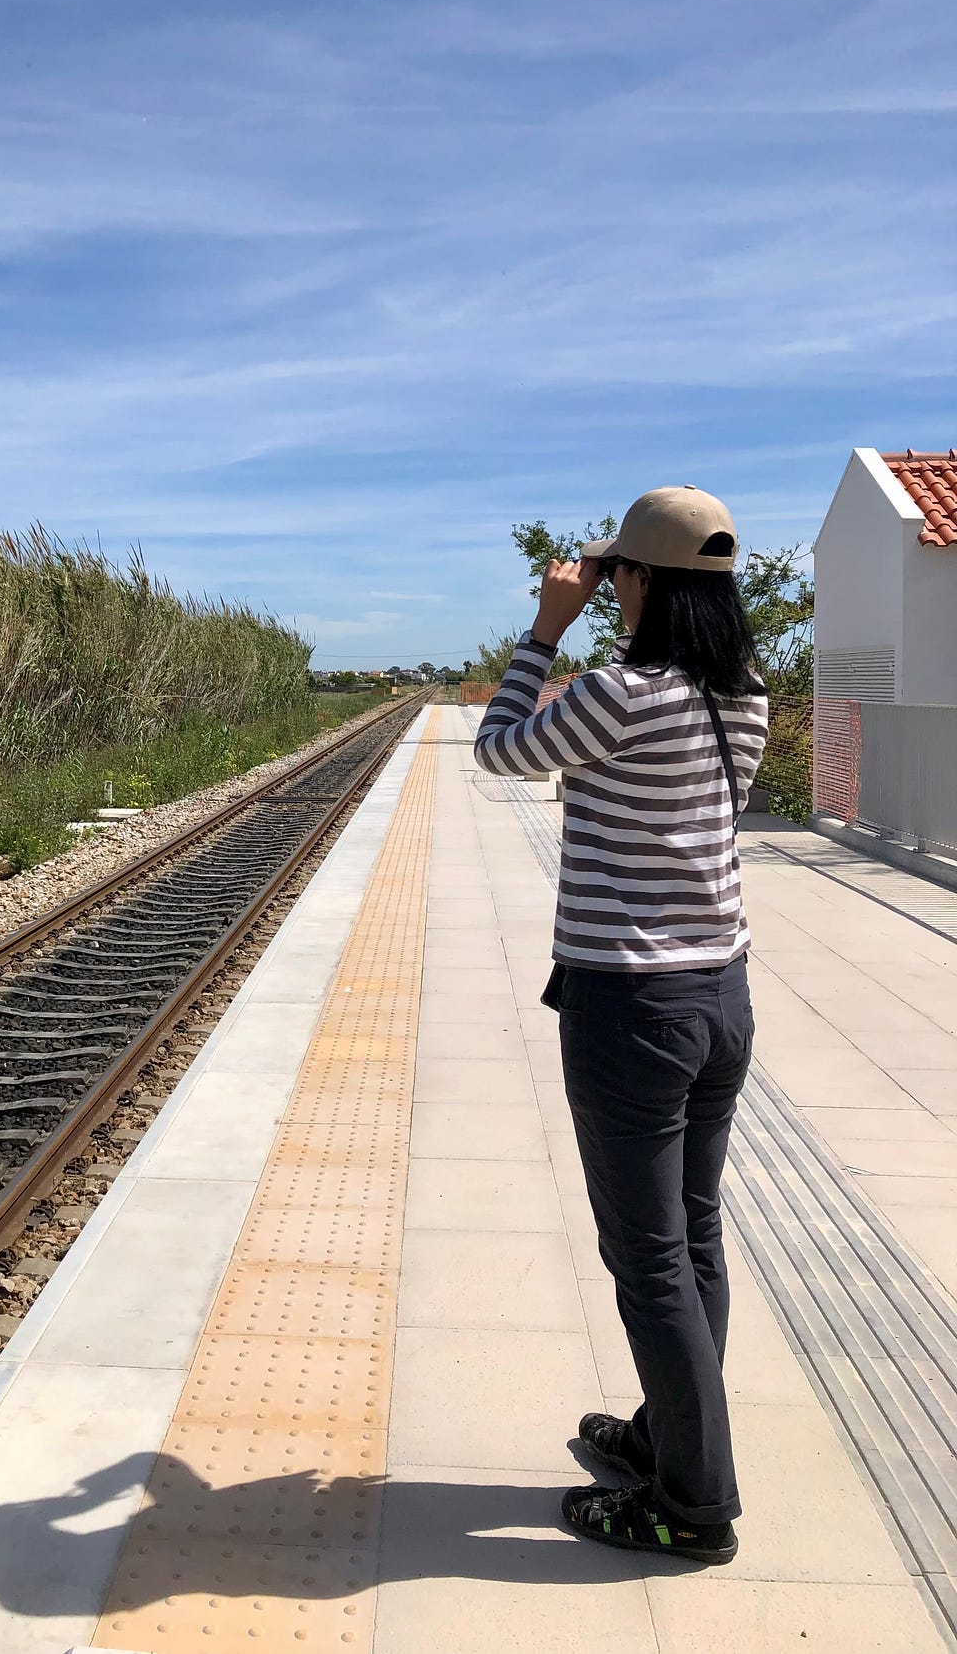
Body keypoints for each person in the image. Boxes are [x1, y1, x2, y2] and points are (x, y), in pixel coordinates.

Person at [473, 486, 768, 1566]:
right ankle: (665, 1434)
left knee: (646, 1258)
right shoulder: (745, 696)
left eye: (615, 573)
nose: (604, 587)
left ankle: (691, 1504)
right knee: (689, 1238)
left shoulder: (618, 692)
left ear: (640, 583)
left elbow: (498, 749)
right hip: (719, 995)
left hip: (630, 1006)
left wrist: (544, 629)